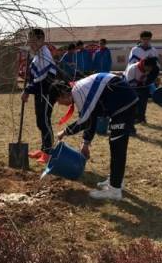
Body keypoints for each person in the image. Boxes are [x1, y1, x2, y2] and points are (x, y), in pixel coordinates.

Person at [55, 73, 139, 201]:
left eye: (57, 100)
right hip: (121, 103)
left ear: (63, 94)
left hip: (123, 104)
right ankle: (116, 180)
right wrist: (85, 143)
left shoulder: (78, 92)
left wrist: (65, 132)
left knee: (117, 146)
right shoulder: (79, 90)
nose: (59, 104)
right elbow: (91, 118)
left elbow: (85, 121)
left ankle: (114, 190)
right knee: (115, 143)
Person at [22, 27, 58, 165]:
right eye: (29, 41)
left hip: (46, 92)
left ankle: (48, 152)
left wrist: (27, 90)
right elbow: (34, 78)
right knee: (40, 122)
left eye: (32, 41)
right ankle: (44, 149)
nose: (30, 44)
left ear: (41, 39)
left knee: (44, 121)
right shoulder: (38, 54)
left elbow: (42, 80)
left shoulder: (44, 55)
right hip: (40, 92)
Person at [128, 31, 160, 123]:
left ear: (150, 39)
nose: (146, 41)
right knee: (134, 97)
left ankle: (142, 117)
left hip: (147, 78)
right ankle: (134, 116)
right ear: (140, 39)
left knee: (144, 98)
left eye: (148, 39)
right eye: (144, 39)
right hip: (136, 76)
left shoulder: (153, 51)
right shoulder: (135, 50)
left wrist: (152, 77)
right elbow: (131, 64)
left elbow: (156, 66)